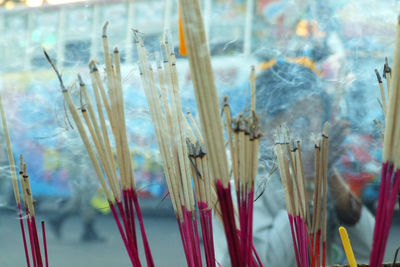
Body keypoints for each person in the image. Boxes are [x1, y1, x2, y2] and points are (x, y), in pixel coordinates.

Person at [214, 60, 375, 266]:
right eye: (301, 121)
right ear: (264, 124)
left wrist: (328, 175)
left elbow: (371, 250)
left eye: (320, 122)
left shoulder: (321, 174)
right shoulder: (241, 183)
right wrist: (306, 179)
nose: (313, 133)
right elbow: (265, 262)